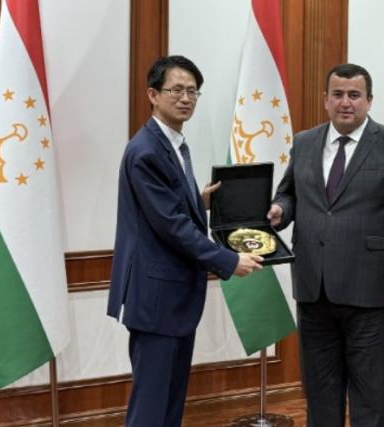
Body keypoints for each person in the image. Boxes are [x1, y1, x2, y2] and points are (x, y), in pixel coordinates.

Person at [107, 55, 263, 427]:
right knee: (150, 409)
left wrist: (200, 200)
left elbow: (169, 207)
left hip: (173, 295)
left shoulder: (174, 143)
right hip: (157, 298)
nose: (185, 98)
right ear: (152, 94)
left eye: (192, 91)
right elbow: (172, 226)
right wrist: (228, 260)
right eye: (176, 90)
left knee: (170, 404)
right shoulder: (146, 151)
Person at [267, 63, 384, 426]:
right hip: (313, 290)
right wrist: (280, 209)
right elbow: (289, 194)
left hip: (370, 295)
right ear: (325, 100)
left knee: (369, 398)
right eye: (337, 94)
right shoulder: (304, 142)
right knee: (320, 395)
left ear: (369, 101)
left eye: (354, 95)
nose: (345, 102)